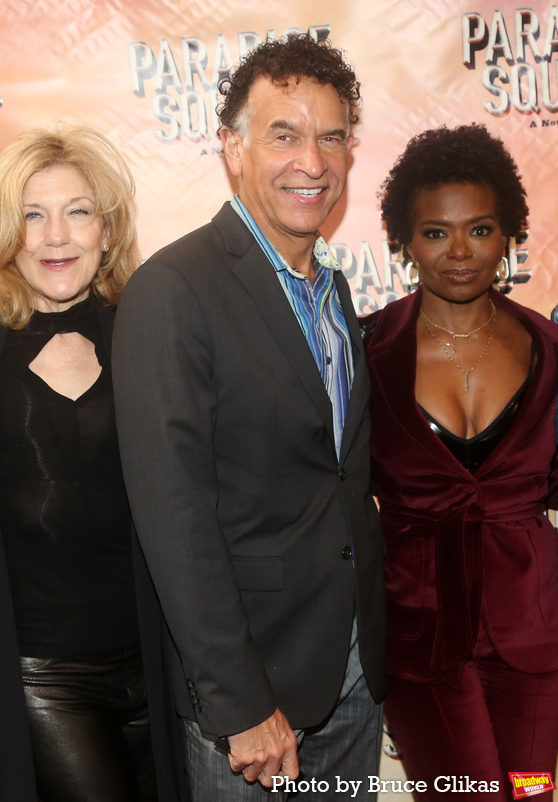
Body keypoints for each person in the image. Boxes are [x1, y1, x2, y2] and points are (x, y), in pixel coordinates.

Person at [113, 33, 386, 802]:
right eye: (285, 135)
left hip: (355, 675)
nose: (314, 161)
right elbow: (174, 516)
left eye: (332, 137)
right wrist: (240, 702)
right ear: (232, 148)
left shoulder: (329, 292)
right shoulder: (175, 289)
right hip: (255, 703)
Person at [0, 124, 171, 802]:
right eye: (32, 215)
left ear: (107, 232)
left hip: (160, 666)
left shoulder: (151, 335)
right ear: (4, 235)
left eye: (78, 212)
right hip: (43, 676)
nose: (56, 236)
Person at [361, 123, 558, 798]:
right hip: (421, 642)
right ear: (404, 239)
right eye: (435, 232)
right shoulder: (368, 354)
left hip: (534, 641)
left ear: (508, 236)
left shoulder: (551, 348)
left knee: (529, 793)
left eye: (479, 229)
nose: (459, 253)